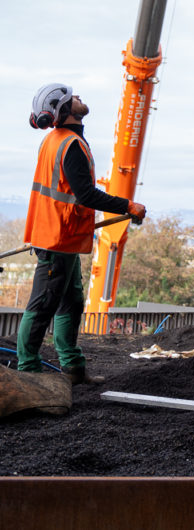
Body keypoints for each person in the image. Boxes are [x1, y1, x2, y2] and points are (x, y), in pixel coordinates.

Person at [17, 83, 147, 383]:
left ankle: (73, 368)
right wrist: (127, 204)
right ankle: (28, 374)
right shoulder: (70, 145)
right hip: (56, 238)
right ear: (64, 109)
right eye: (73, 98)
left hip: (63, 235)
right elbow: (86, 194)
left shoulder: (58, 140)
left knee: (72, 302)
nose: (79, 98)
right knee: (43, 304)